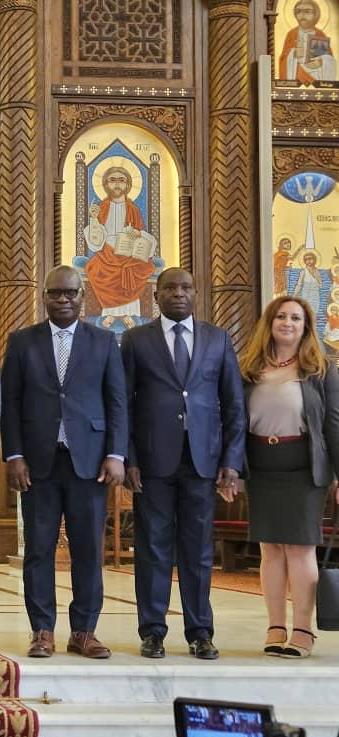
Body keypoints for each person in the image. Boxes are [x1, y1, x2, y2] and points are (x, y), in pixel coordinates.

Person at [1, 265, 127, 659]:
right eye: (55, 293)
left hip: (89, 463)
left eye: (70, 293)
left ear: (82, 297)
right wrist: (14, 454)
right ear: (44, 297)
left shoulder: (104, 341)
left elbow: (117, 401)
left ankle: (84, 631)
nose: (63, 299)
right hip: (38, 463)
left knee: (88, 550)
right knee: (39, 549)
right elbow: (11, 403)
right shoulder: (22, 342)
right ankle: (42, 630)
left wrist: (116, 453)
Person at [122, 267, 246, 660]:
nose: (178, 293)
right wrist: (130, 458)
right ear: (155, 295)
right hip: (152, 462)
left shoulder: (217, 339)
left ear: (196, 294)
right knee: (152, 548)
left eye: (186, 287)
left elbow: (234, 403)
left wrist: (232, 460)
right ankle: (152, 631)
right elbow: (123, 405)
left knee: (198, 550)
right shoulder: (135, 339)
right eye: (170, 288)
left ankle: (200, 632)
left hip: (202, 460)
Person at [238, 296, 339, 658]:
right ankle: (275, 626)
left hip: (303, 468)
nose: (288, 322)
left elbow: (334, 423)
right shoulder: (250, 368)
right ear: (269, 323)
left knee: (298, 548)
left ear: (306, 326)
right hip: (262, 466)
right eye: (281, 316)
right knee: (270, 549)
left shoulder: (320, 369)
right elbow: (234, 421)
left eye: (296, 318)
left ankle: (302, 629)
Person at [83, 166, 158, 327]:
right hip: (107, 253)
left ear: (128, 185)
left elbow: (141, 234)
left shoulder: (133, 209)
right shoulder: (102, 208)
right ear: (106, 184)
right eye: (112, 180)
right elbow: (96, 241)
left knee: (137, 269)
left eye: (121, 180)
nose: (117, 184)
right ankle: (110, 313)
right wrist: (94, 219)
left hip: (129, 253)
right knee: (95, 269)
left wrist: (137, 234)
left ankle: (127, 313)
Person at [278, 0, 336, 84]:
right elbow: (283, 59)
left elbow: (329, 59)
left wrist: (321, 62)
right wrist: (293, 53)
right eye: (298, 11)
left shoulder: (320, 34)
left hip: (315, 79)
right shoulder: (292, 34)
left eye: (307, 11)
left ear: (316, 14)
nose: (302, 15)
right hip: (297, 79)